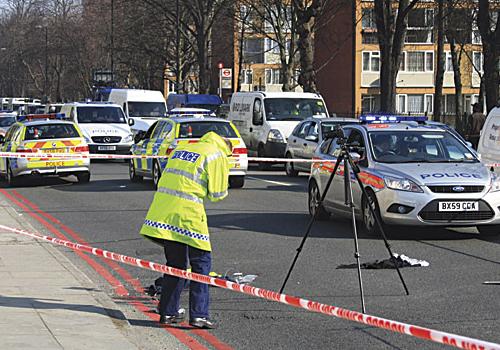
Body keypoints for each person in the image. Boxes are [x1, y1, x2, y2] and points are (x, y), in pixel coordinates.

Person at [140, 131, 232, 329]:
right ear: (227, 148)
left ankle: (168, 312)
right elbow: (217, 194)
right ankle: (199, 315)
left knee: (175, 265)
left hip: (163, 213)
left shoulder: (183, 148)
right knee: (201, 265)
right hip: (188, 216)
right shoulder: (216, 155)